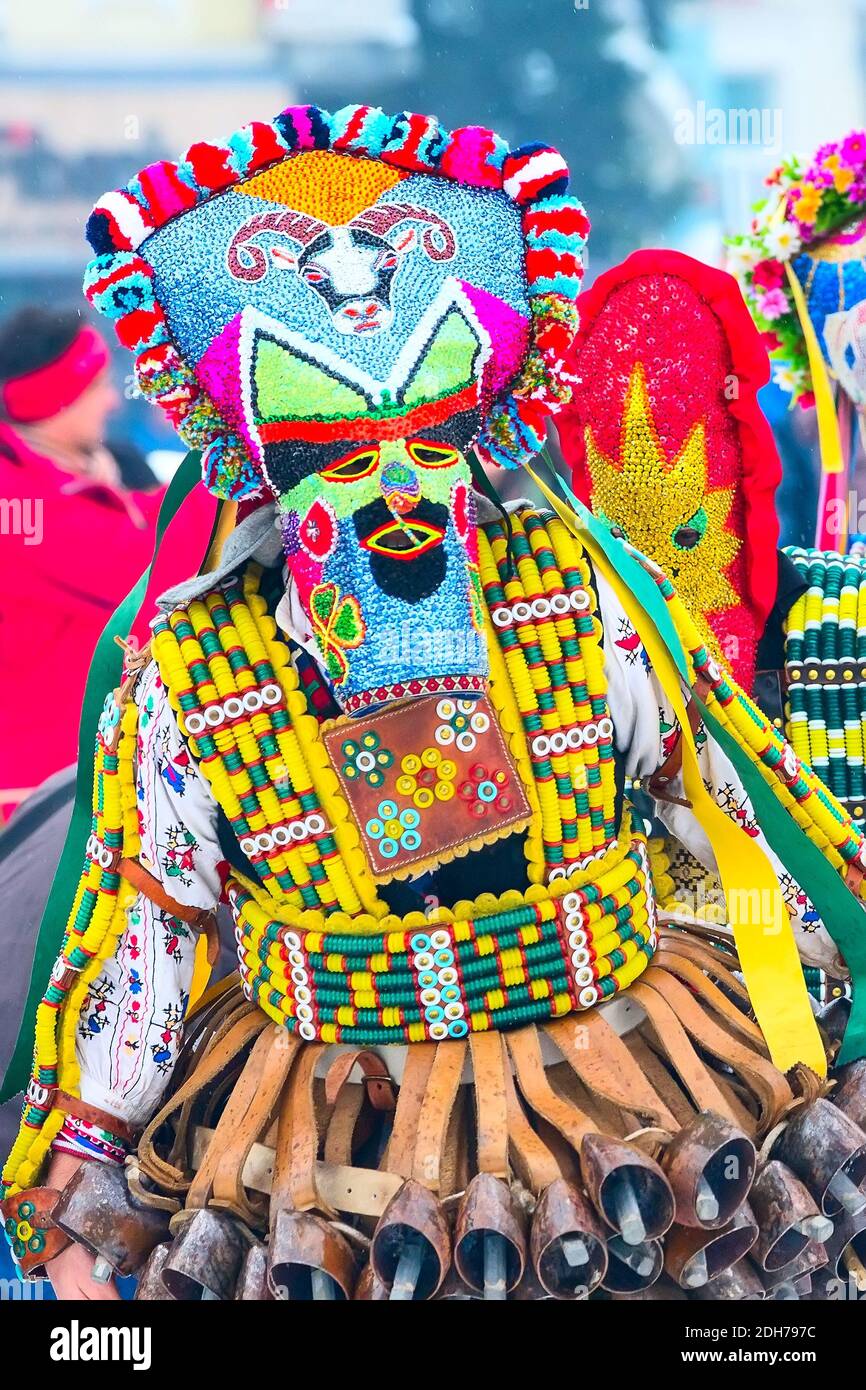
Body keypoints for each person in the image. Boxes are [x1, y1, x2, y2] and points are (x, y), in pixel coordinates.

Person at [3, 103, 866, 1304]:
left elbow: (720, 808)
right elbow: (152, 932)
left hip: (626, 1096)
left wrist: (825, 1003)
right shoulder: (200, 669)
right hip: (329, 1143)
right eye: (349, 462)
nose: (399, 495)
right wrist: (83, 1172)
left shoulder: (570, 594)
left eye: (428, 450)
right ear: (276, 478)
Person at [0, 309, 164, 818]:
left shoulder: (117, 464)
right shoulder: (14, 504)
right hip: (33, 801)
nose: (112, 400)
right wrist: (233, 469)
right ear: (52, 400)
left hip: (110, 775)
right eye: (94, 387)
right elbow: (138, 574)